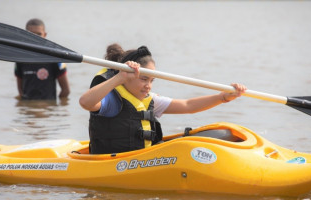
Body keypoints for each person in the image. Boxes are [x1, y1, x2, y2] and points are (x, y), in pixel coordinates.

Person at [79, 44, 247, 154]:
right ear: (126, 77)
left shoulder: (149, 100)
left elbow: (188, 105)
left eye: (152, 81)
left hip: (141, 160)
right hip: (111, 163)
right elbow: (85, 102)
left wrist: (223, 97)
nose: (148, 86)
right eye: (144, 79)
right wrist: (119, 78)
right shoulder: (112, 101)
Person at [14, 18, 70, 100]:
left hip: (47, 109)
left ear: (45, 35)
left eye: (39, 34)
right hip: (27, 109)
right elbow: (20, 89)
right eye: (31, 34)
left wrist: (53, 107)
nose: (35, 38)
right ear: (25, 35)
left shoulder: (55, 58)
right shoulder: (20, 58)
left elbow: (66, 91)